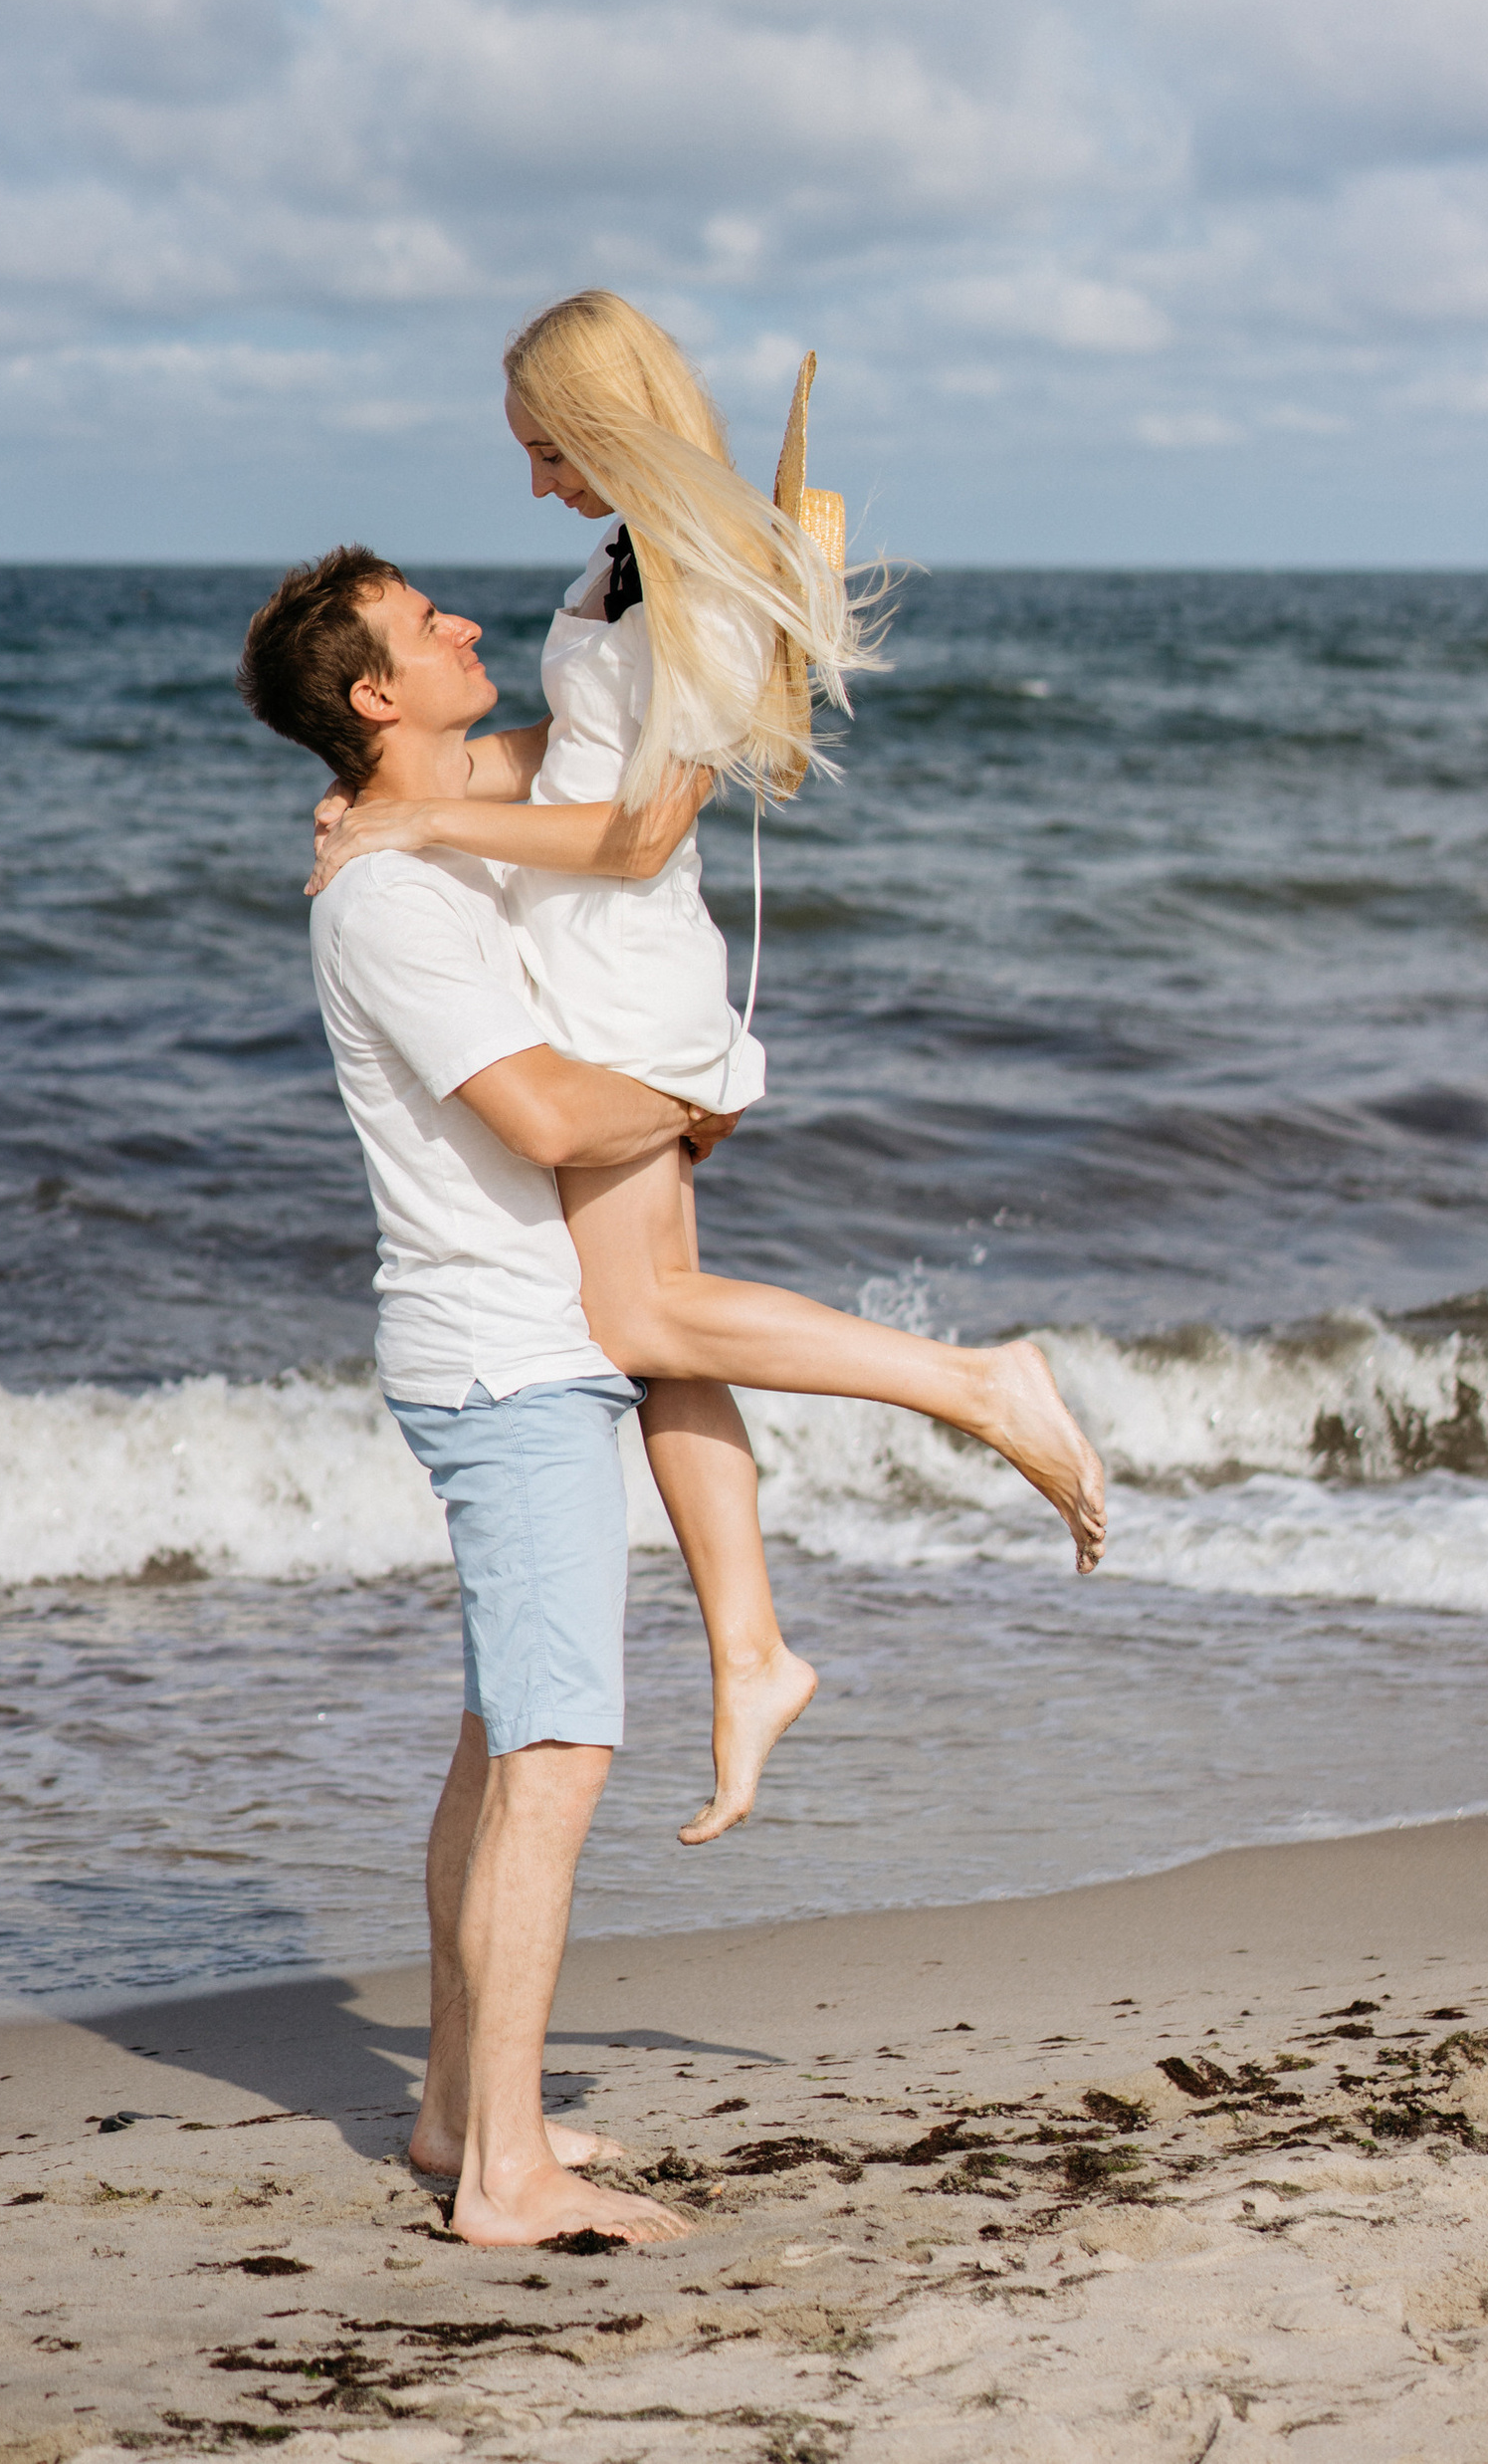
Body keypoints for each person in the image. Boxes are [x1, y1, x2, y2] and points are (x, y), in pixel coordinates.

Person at [307, 295, 1106, 1848]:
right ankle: (751, 1649)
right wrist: (409, 782)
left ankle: (978, 1385)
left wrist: (426, 820)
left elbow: (637, 831)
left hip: (626, 973)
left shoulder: (688, 576)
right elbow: (580, 754)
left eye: (547, 450)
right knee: (660, 1335)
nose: (537, 482)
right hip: (588, 961)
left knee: (639, 1313)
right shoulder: (621, 558)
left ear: (603, 425)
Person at [239, 545, 710, 2251]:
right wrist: (694, 1103)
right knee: (562, 1752)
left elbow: (587, 774)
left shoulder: (425, 831)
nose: (463, 626)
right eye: (425, 625)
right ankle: (507, 2174)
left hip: (520, 1346)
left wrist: (664, 605)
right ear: (374, 695)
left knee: (500, 1736)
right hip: (509, 1363)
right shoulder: (386, 897)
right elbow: (548, 1119)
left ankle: (452, 2108)